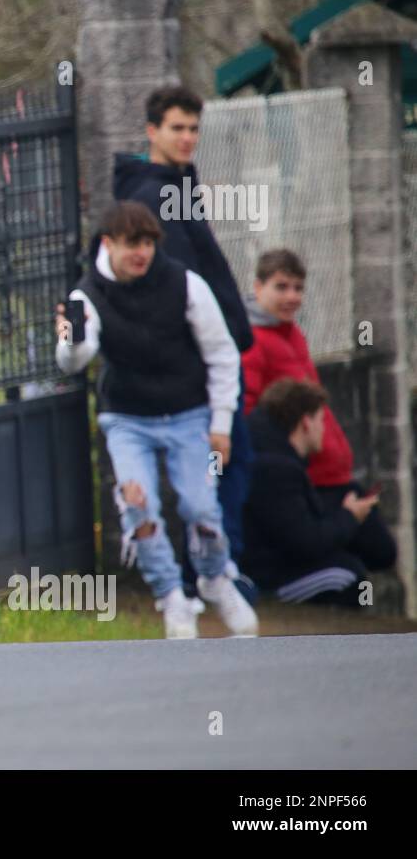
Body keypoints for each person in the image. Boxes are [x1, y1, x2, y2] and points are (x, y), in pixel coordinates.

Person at [56, 201, 257, 639]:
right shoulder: (85, 295)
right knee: (137, 504)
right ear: (108, 243)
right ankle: (172, 599)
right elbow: (75, 359)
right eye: (132, 243)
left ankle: (216, 579)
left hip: (189, 415)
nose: (141, 252)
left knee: (200, 507)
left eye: (147, 243)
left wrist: (220, 424)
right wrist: (71, 341)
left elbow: (223, 354)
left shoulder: (186, 284)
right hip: (127, 421)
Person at [111, 86, 257, 586]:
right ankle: (216, 574)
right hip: (190, 368)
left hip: (209, 358)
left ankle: (216, 570)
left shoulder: (175, 184)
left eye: (194, 128)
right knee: (219, 474)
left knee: (225, 471)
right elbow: (173, 286)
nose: (188, 138)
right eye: (177, 128)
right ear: (152, 131)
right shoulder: (152, 194)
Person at [241, 251, 397, 592]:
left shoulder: (292, 333)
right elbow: (247, 409)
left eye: (298, 288)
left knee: (382, 550)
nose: (292, 297)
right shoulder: (252, 340)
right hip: (308, 481)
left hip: (332, 475)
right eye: (281, 287)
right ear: (257, 287)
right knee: (350, 558)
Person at [243, 379, 397, 605]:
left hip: (273, 564)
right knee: (347, 575)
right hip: (268, 578)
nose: (324, 429)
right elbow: (305, 542)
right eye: (321, 420)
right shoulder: (276, 469)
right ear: (306, 423)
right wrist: (349, 517)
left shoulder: (274, 455)